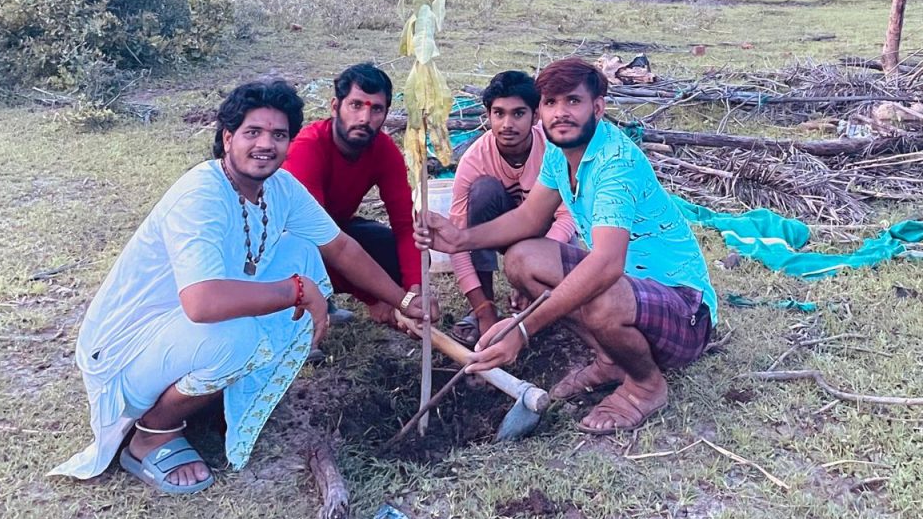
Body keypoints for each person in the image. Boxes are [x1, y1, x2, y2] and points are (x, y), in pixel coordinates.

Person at [50, 80, 434, 494]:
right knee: (238, 337)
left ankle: (208, 395)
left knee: (301, 251)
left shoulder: (280, 188)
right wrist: (296, 291)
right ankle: (151, 434)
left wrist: (404, 300)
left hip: (176, 337)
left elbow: (340, 247)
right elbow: (201, 303)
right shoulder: (201, 194)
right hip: (124, 352)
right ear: (228, 137)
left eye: (279, 135)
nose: (266, 144)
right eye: (253, 132)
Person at [416, 58, 718, 435]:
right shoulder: (560, 153)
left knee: (604, 293)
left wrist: (522, 329)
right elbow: (530, 219)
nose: (560, 113)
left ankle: (645, 386)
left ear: (598, 107)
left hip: (685, 310)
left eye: (573, 101)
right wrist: (461, 238)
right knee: (522, 259)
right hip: (632, 292)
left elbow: (607, 265)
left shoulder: (615, 164)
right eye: (551, 102)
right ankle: (611, 359)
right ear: (540, 111)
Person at [283, 63, 423, 326]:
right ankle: (307, 307)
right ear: (335, 107)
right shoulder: (307, 148)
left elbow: (406, 226)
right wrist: (376, 299)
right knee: (307, 247)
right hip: (290, 241)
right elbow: (319, 239)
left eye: (376, 109)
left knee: (390, 247)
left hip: (336, 229)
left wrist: (415, 291)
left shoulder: (384, 150)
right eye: (356, 105)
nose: (364, 119)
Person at [448, 70, 576, 344]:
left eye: (518, 114)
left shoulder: (554, 149)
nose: (507, 124)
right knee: (483, 191)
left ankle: (541, 305)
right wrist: (482, 310)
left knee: (565, 303)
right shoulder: (474, 159)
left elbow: (567, 218)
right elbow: (457, 241)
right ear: (488, 116)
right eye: (499, 113)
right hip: (503, 232)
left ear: (536, 116)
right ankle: (486, 308)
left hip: (549, 235)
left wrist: (531, 267)